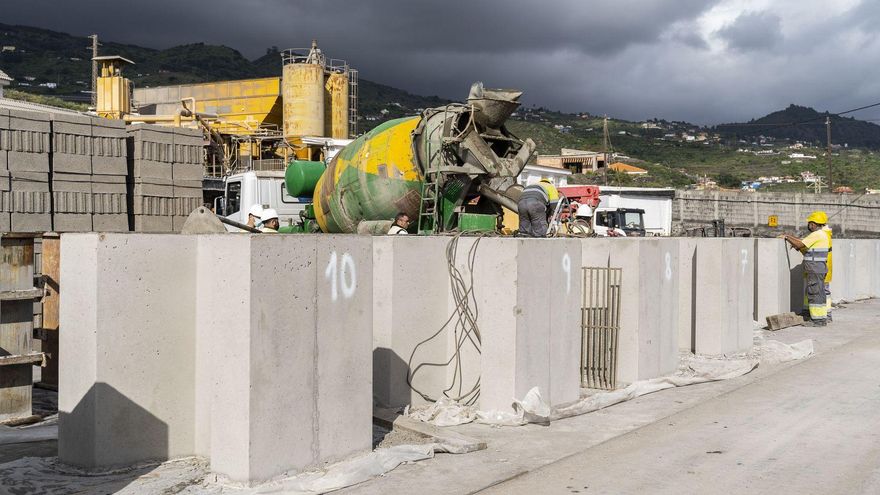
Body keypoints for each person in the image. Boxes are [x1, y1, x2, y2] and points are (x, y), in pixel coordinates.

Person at [781, 211, 830, 326]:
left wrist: (787, 237)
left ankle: (817, 321)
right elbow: (805, 245)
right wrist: (796, 243)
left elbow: (799, 244)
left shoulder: (817, 234)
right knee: (818, 292)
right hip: (818, 268)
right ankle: (821, 318)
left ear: (813, 224)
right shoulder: (823, 235)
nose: (809, 225)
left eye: (809, 223)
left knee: (815, 293)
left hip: (815, 268)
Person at [823, 223, 833, 322]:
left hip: (822, 269)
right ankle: (828, 314)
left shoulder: (823, 234)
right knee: (825, 291)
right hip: (824, 268)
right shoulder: (827, 234)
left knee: (824, 291)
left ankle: (827, 315)